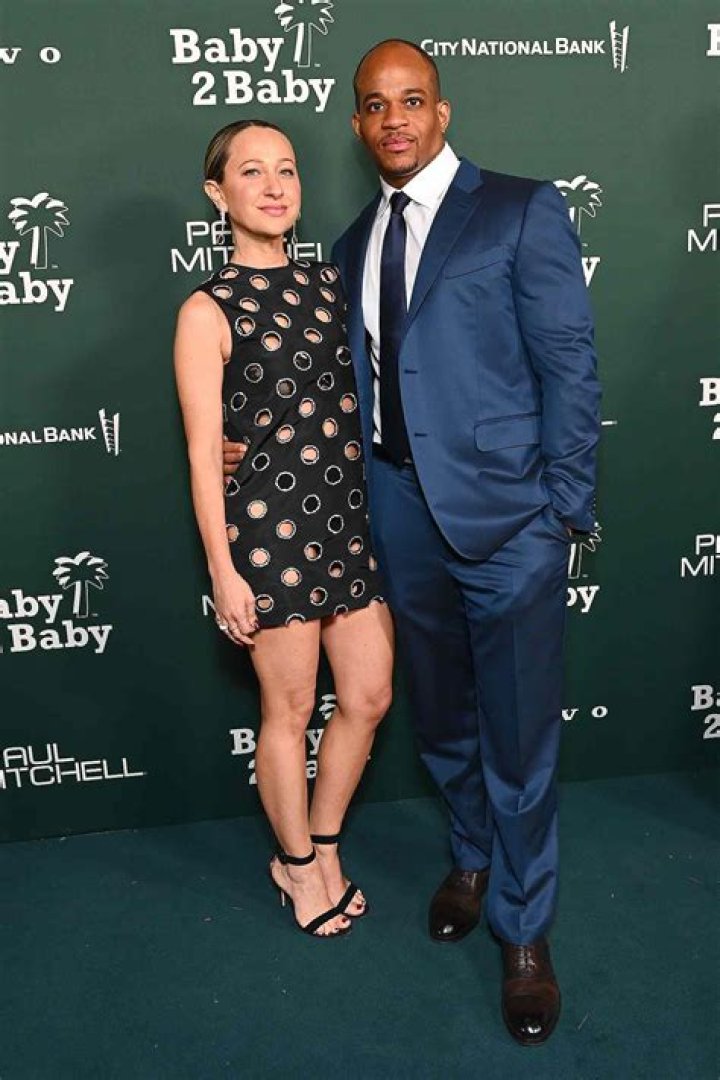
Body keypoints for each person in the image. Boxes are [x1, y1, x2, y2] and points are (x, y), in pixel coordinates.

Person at [225, 40, 600, 1041]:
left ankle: (523, 930)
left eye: (412, 99)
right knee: (441, 720)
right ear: (358, 124)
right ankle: (470, 858)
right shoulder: (350, 246)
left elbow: (569, 362)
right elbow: (320, 388)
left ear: (441, 111)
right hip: (395, 516)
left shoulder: (519, 209)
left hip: (511, 522)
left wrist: (562, 510)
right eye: (375, 104)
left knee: (519, 735)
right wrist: (234, 439)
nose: (394, 118)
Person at [175, 119, 394, 939]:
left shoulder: (330, 283)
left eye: (287, 170)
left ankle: (325, 842)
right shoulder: (206, 310)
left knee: (368, 696)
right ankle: (297, 866)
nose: (274, 187)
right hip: (269, 535)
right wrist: (223, 570)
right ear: (217, 193)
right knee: (290, 709)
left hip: (347, 525)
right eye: (252, 172)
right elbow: (205, 454)